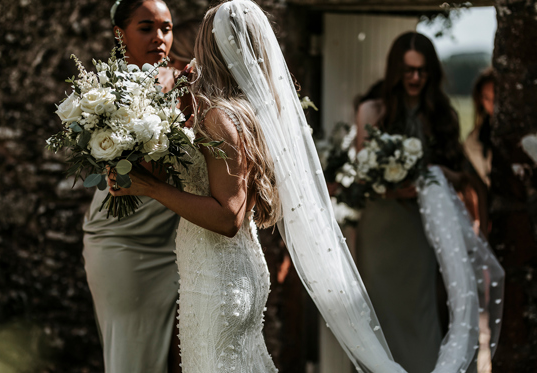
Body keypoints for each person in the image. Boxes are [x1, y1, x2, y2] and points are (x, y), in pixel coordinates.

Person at [109, 4, 502, 372]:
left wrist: (148, 187)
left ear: (213, 45)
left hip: (217, 276)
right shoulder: (243, 111)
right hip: (228, 269)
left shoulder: (218, 116)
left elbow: (228, 215)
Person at [354, 32, 482, 373]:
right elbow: (362, 178)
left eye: (422, 71)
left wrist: (438, 174)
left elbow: (461, 176)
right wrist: (395, 188)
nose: (414, 77)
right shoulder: (371, 110)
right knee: (379, 317)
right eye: (408, 70)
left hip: (419, 229)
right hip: (381, 231)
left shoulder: (441, 115)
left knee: (421, 313)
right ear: (396, 70)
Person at [82, 1, 180, 372]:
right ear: (119, 34)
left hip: (176, 237)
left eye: (166, 28)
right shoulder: (100, 93)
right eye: (146, 27)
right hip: (121, 240)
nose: (159, 37)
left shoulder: (188, 80)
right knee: (132, 358)